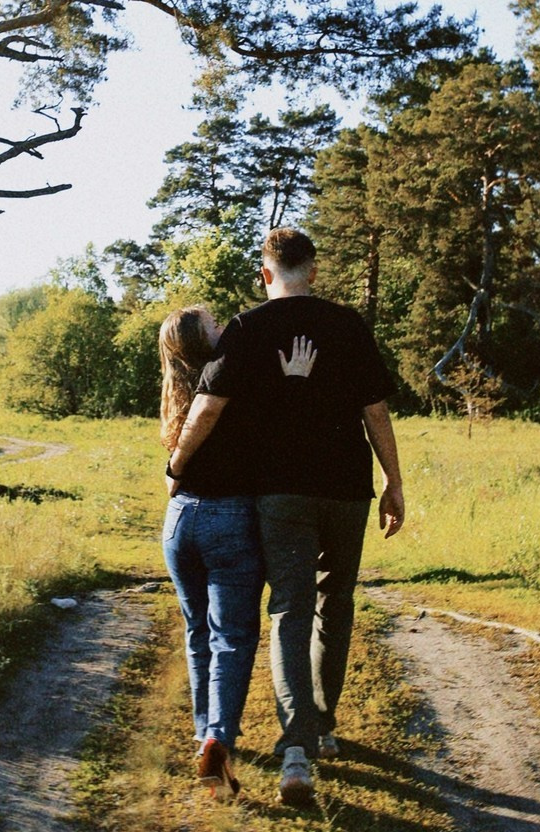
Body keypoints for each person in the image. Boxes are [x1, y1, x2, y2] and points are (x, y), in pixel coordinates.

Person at [165, 228, 404, 806]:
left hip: (281, 496)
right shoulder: (349, 325)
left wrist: (176, 466)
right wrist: (394, 483)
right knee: (335, 603)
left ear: (264, 273)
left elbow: (207, 405)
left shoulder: (246, 329)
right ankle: (322, 726)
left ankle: (294, 751)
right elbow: (376, 412)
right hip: (348, 490)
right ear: (314, 271)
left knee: (290, 609)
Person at [158, 305, 316, 800]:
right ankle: (217, 741)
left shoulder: (177, 393)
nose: (224, 324)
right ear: (204, 341)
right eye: (213, 324)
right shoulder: (233, 381)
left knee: (198, 630)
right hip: (231, 520)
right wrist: (294, 381)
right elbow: (285, 430)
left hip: (180, 520)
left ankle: (203, 733)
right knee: (234, 637)